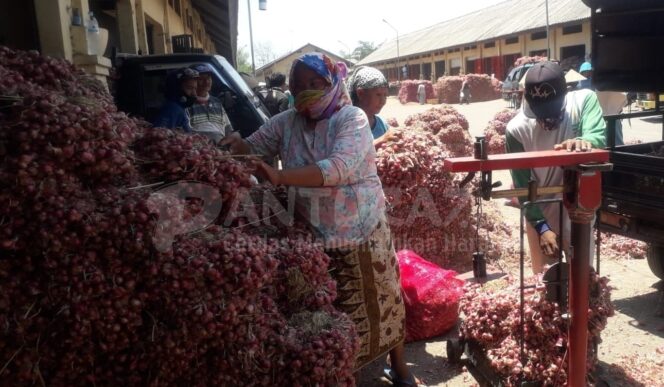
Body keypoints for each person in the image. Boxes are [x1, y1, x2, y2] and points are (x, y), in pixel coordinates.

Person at [221, 52, 419, 387]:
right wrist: (238, 145)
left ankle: (399, 367)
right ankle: (346, 372)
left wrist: (279, 177)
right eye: (300, 86)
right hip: (313, 232)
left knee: (382, 301)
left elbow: (338, 168)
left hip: (362, 227)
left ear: (333, 83)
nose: (308, 92)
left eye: (316, 84)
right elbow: (255, 149)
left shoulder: (351, 118)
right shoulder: (287, 122)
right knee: (336, 311)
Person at [506, 61, 606, 274]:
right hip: (539, 208)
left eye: (552, 111)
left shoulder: (584, 101)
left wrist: (584, 141)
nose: (547, 119)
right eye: (540, 114)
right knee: (544, 281)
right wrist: (542, 227)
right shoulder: (516, 130)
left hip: (578, 206)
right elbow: (523, 187)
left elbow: (597, 137)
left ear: (565, 94)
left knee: (581, 276)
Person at [186, 63, 233, 144]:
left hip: (220, 149)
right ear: (192, 82)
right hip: (199, 151)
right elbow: (186, 134)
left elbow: (228, 129)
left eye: (208, 78)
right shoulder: (187, 104)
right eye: (201, 79)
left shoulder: (217, 102)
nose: (206, 82)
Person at [347, 66, 393, 146]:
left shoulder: (381, 123)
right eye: (378, 95)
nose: (383, 101)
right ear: (360, 94)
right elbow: (349, 153)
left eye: (385, 95)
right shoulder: (348, 125)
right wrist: (381, 140)